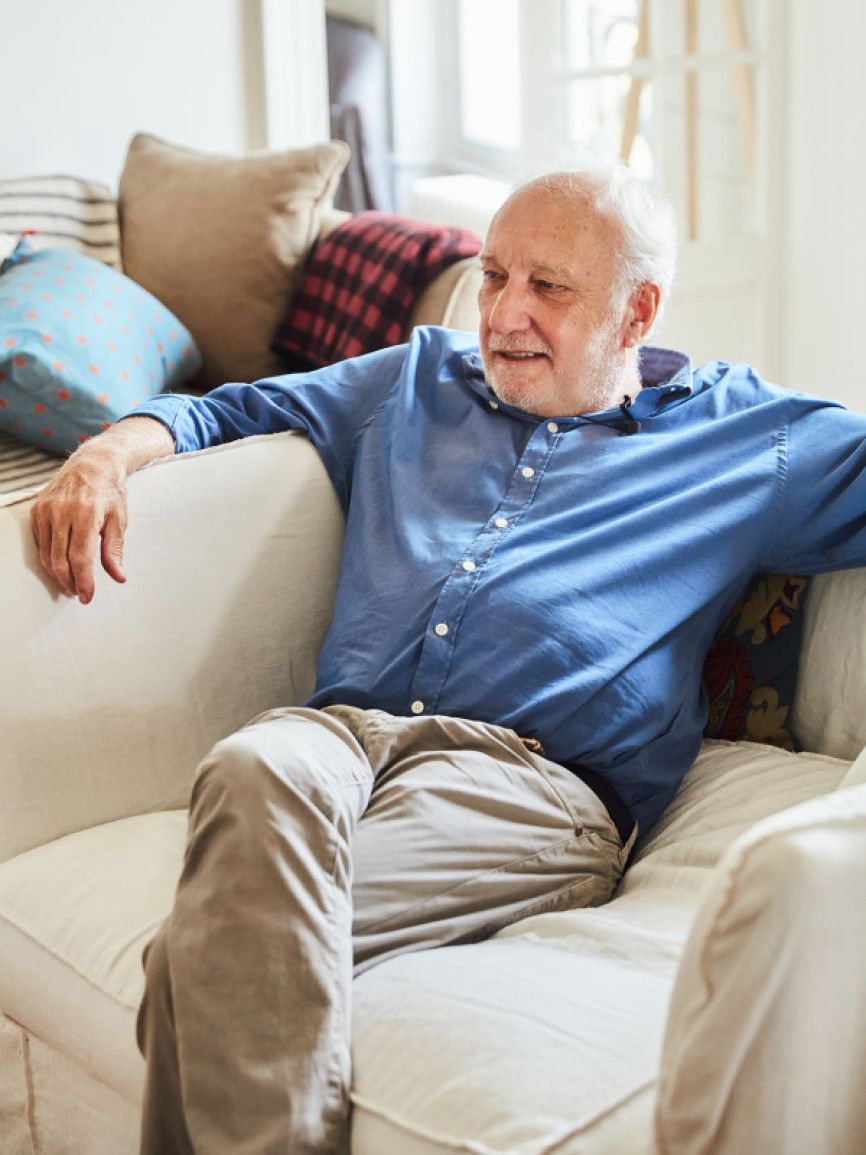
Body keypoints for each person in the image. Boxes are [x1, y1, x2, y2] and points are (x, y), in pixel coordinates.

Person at [29, 154, 866, 1154]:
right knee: (252, 762)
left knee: (201, 955)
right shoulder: (417, 376)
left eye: (546, 287)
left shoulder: (748, 441)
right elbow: (227, 410)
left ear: (635, 316)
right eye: (495, 275)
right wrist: (102, 455)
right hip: (333, 740)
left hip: (531, 787)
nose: (505, 313)